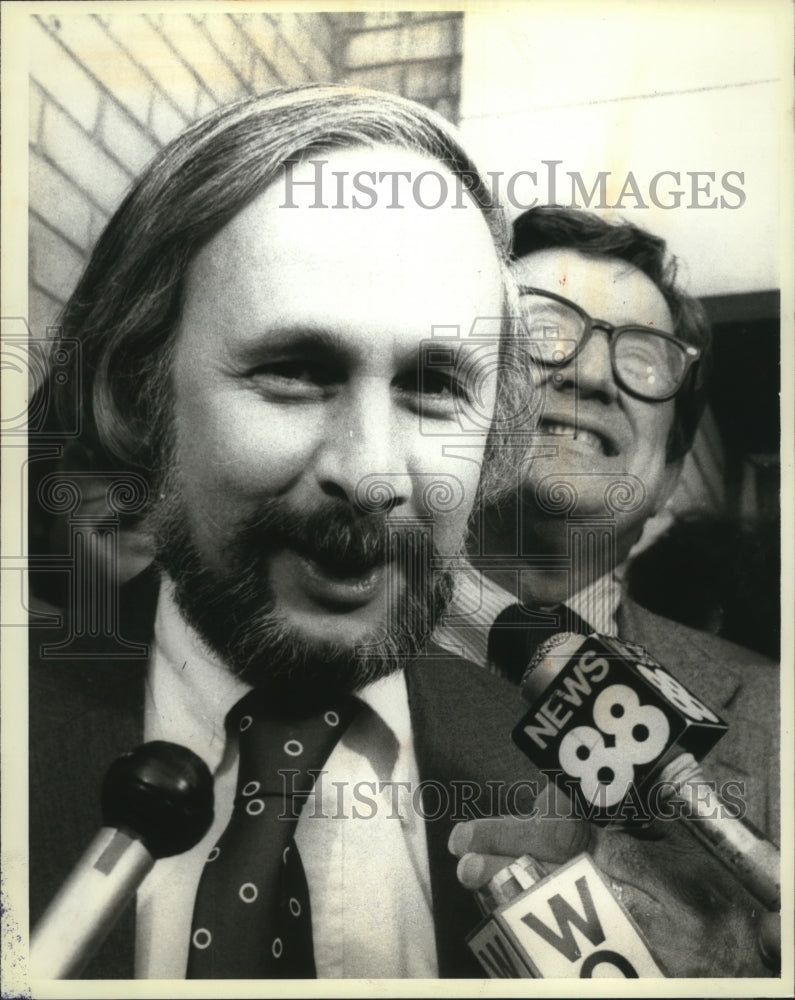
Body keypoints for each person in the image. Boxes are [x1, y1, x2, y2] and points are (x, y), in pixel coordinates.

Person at [28, 92, 775, 980]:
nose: (375, 470)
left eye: (431, 386)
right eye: (294, 371)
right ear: (137, 394)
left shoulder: (571, 800)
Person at [440, 206, 780, 972]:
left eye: (645, 357)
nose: (589, 374)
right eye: (538, 329)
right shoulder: (294, 650)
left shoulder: (776, 715)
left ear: (667, 471)